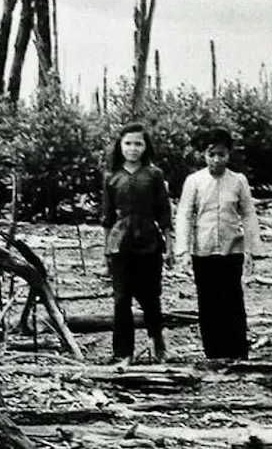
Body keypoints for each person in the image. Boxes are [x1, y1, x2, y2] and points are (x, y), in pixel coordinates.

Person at [174, 127, 261, 360]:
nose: (216, 159)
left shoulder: (238, 181)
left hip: (231, 250)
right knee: (208, 301)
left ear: (228, 155)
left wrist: (252, 250)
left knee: (232, 300)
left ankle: (237, 351)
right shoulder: (194, 181)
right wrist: (182, 251)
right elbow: (184, 215)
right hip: (203, 251)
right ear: (204, 155)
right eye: (211, 154)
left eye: (221, 154)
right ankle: (213, 352)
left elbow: (249, 214)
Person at [102, 123, 172, 365]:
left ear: (146, 147)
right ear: (120, 146)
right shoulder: (112, 177)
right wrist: (106, 251)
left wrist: (169, 246)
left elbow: (164, 213)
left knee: (150, 295)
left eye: (138, 144)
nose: (133, 149)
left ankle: (157, 340)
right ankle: (123, 352)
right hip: (120, 244)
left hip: (149, 241)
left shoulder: (154, 175)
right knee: (121, 299)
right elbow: (107, 218)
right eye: (128, 143)